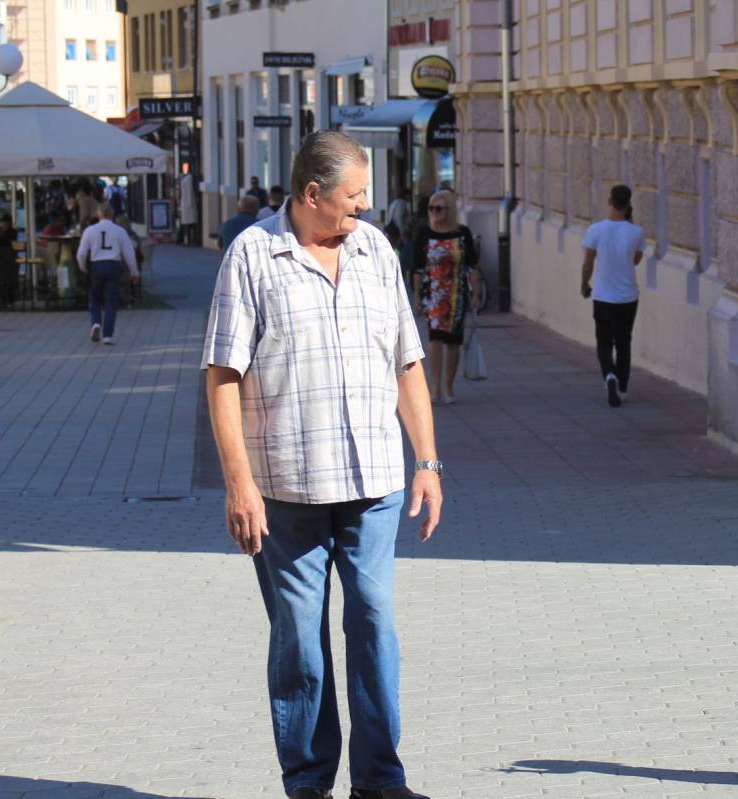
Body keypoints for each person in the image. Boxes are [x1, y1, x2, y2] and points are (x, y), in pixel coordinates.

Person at [202, 130, 440, 799]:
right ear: (312, 194)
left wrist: (427, 460)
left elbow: (407, 362)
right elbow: (222, 376)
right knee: (300, 642)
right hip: (286, 487)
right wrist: (239, 483)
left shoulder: (375, 250)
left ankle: (380, 781)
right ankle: (308, 784)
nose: (364, 206)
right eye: (354, 195)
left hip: (373, 482)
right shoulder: (252, 254)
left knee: (373, 622)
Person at [580, 184, 645, 408]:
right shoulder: (636, 232)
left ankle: (609, 375)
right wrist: (630, 222)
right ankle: (623, 387)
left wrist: (584, 284)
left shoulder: (595, 230)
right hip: (628, 297)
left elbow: (588, 262)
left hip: (602, 297)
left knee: (604, 342)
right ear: (628, 204)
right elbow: (635, 260)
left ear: (609, 202)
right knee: (624, 342)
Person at [412, 190, 479, 405]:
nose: (434, 212)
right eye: (431, 208)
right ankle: (435, 387)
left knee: (453, 341)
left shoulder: (462, 233)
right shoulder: (424, 234)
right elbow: (418, 268)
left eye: (439, 208)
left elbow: (471, 266)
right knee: (435, 338)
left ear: (449, 210)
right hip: (432, 294)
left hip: (456, 294)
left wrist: (475, 293)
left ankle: (449, 386)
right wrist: (416, 297)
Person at [77, 204, 140, 346]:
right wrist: (134, 271)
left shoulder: (90, 231)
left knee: (95, 298)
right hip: (113, 265)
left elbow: (81, 253)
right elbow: (129, 254)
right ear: (112, 215)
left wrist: (83, 267)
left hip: (96, 265)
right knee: (111, 301)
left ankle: (96, 323)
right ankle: (108, 336)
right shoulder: (120, 231)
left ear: (98, 214)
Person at [178, 163, 198, 245]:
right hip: (185, 203)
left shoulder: (189, 178)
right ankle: (187, 240)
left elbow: (189, 191)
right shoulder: (183, 177)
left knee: (190, 223)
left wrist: (189, 203)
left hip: (189, 203)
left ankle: (191, 240)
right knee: (187, 223)